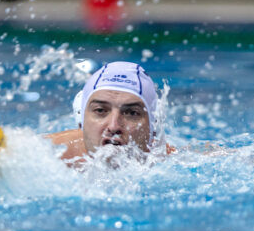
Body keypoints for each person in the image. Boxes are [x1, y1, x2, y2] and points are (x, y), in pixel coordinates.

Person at [46, 61, 174, 162]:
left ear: (153, 128)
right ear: (81, 121)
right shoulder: (49, 156)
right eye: (100, 110)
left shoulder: (173, 165)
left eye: (132, 113)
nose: (113, 126)